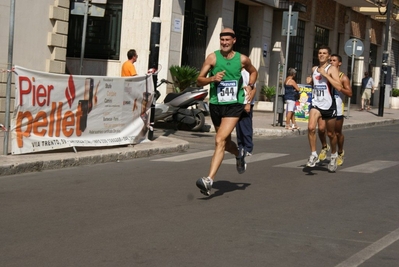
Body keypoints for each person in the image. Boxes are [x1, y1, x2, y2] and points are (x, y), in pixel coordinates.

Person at [195, 28, 258, 196]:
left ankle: (209, 179)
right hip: (216, 104)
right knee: (225, 143)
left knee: (219, 140)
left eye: (227, 40)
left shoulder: (242, 59)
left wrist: (250, 86)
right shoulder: (212, 57)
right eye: (222, 40)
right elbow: (199, 80)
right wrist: (212, 79)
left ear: (234, 41)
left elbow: (253, 71)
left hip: (234, 105)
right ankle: (239, 153)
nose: (224, 43)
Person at [305, 45, 342, 172]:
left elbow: (339, 87)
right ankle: (313, 154)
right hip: (316, 104)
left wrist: (326, 75)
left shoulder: (331, 69)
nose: (321, 55)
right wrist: (310, 81)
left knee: (331, 134)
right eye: (319, 53)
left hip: (329, 105)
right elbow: (317, 84)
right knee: (310, 128)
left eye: (324, 53)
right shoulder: (314, 69)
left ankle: (333, 155)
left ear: (329, 56)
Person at [317, 54, 352, 166]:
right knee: (322, 130)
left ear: (339, 63)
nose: (332, 62)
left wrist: (340, 88)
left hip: (337, 108)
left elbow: (350, 93)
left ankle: (340, 152)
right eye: (330, 60)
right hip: (325, 107)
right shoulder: (324, 75)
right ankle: (324, 146)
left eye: (334, 60)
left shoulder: (343, 77)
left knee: (336, 133)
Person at [236, 69, 256, 157]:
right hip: (237, 103)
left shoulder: (248, 73)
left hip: (246, 103)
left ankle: (248, 148)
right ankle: (240, 146)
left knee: (246, 126)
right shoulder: (236, 72)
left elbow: (252, 89)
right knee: (239, 127)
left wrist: (248, 103)